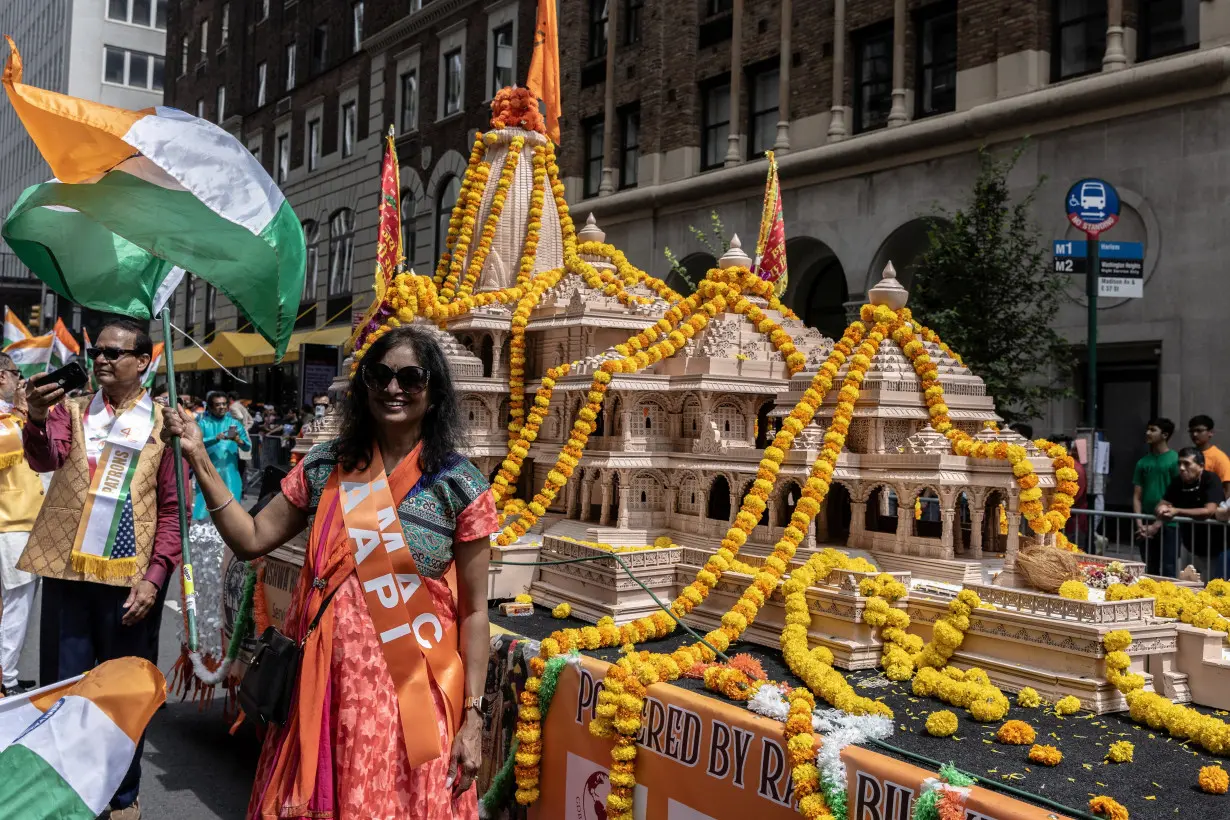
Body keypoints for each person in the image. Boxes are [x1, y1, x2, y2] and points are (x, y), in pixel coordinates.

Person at [163, 325, 494, 819]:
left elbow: (473, 613)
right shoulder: (326, 466)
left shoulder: (458, 483)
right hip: (322, 689)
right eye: (380, 375)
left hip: (411, 704)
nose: (393, 388)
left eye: (411, 377)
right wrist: (199, 457)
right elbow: (250, 538)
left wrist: (472, 717)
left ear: (435, 391)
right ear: (364, 385)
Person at [21, 316, 184, 820]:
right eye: (98, 353)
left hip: (129, 586)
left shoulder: (165, 422)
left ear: (144, 360)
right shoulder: (69, 411)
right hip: (69, 576)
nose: (104, 361)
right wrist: (33, 417)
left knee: (122, 694)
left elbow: (174, 509)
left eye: (116, 353)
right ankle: (67, 790)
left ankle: (121, 795)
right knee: (66, 690)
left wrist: (156, 578)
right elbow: (44, 460)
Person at [0, 354, 42, 696]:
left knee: (16, 605)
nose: (21, 381)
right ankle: (6, 678)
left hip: (20, 523)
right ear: (3, 377)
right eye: (18, 375)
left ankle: (7, 673)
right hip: (11, 524)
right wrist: (22, 411)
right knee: (15, 606)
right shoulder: (5, 419)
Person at [1144, 448, 1224, 578]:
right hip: (1188, 543)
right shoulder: (1177, 482)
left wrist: (1176, 511)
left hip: (1213, 547)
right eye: (1179, 463)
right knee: (1185, 582)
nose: (1181, 468)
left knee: (1209, 586)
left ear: (1201, 466)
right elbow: (1162, 503)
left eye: (1186, 464)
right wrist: (1162, 509)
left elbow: (1209, 511)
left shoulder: (1211, 479)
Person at [192, 392, 251, 520]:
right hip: (208, 474)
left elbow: (247, 446)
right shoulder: (203, 424)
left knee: (232, 512)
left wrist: (237, 439)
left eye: (224, 404)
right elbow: (196, 443)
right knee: (203, 513)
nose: (222, 407)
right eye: (218, 404)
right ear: (211, 407)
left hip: (230, 473)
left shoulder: (235, 424)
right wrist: (215, 438)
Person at [1133, 418, 1179, 564]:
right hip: (1146, 522)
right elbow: (1137, 496)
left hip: (1169, 523)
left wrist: (1157, 524)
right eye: (1148, 429)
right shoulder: (1142, 462)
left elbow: (1177, 494)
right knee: (1148, 567)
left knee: (1167, 569)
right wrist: (1139, 523)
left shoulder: (1175, 460)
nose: (1148, 433)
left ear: (1165, 435)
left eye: (1153, 430)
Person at [1189, 415, 1230, 496]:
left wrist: (1219, 507)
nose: (1194, 434)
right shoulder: (1189, 454)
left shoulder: (1219, 457)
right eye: (1192, 431)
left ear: (1210, 433)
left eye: (1199, 430)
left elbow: (1228, 489)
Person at [228, 391, 254, 493]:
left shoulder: (233, 407)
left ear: (230, 398)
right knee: (242, 465)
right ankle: (243, 489)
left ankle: (237, 488)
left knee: (236, 465)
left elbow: (239, 417)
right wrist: (245, 429)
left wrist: (235, 431)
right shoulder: (241, 406)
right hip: (243, 437)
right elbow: (251, 421)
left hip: (236, 438)